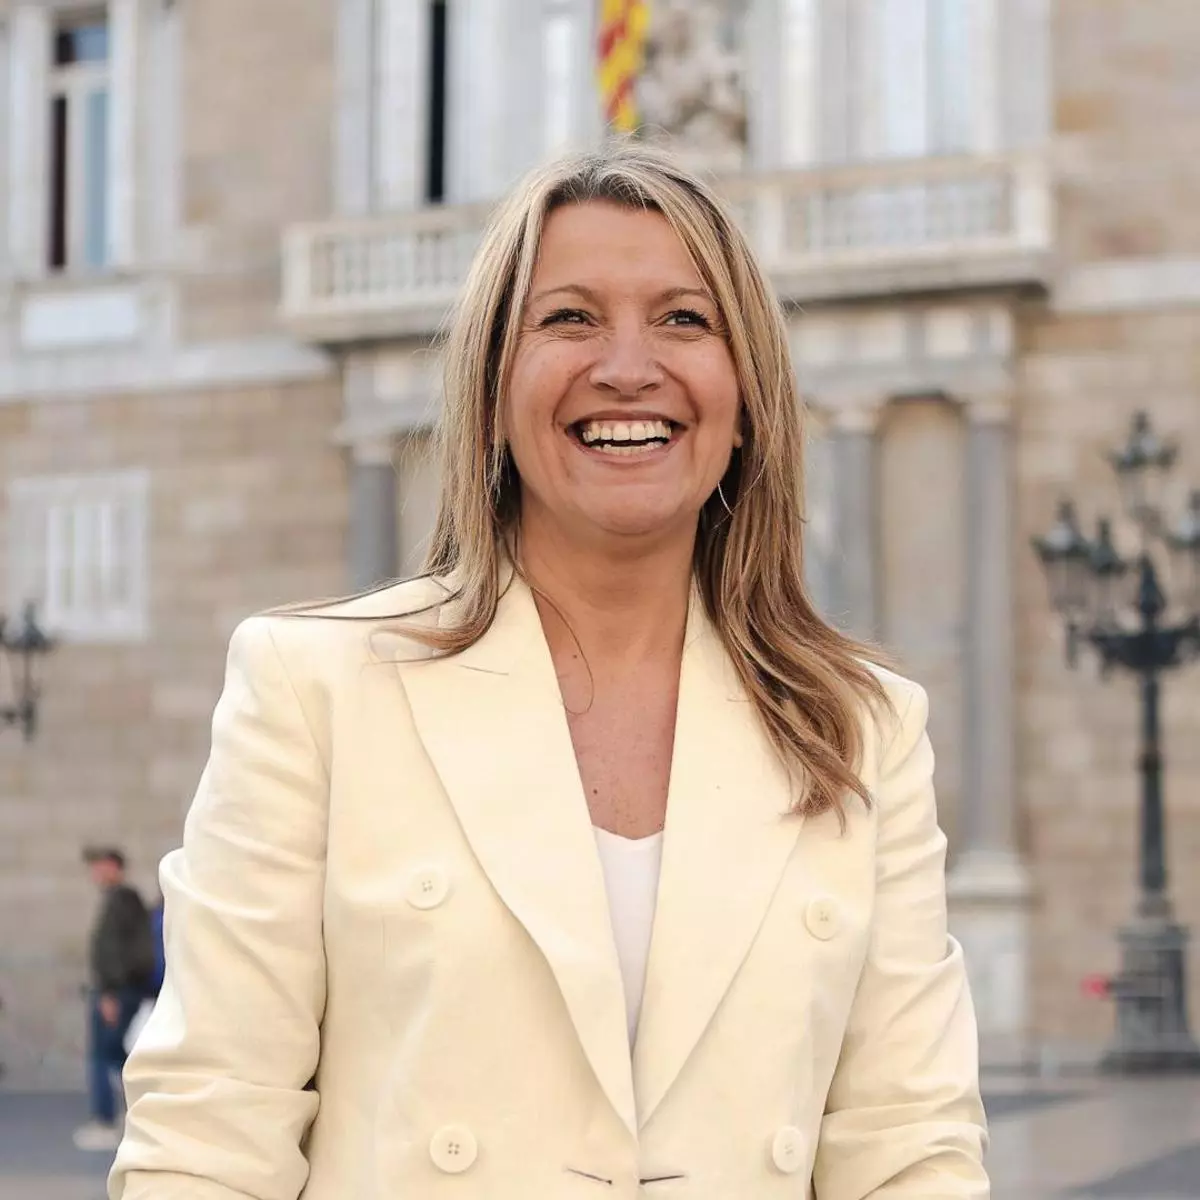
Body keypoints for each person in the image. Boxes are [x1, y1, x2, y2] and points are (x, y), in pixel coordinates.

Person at [110, 143, 988, 1198]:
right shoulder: (316, 691)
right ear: (490, 393)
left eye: (685, 319)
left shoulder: (860, 727)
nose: (628, 367)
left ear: (748, 398)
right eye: (570, 318)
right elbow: (210, 1137)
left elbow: (909, 1144)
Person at [76, 847, 154, 1152]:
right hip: (118, 990)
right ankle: (132, 1116)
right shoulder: (119, 900)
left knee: (104, 1057)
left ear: (113, 866)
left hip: (116, 992)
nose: (95, 873)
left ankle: (106, 1121)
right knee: (117, 1056)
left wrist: (110, 992)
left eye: (99, 866)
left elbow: (114, 952)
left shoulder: (122, 900)